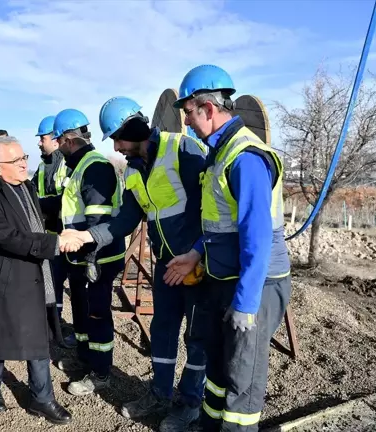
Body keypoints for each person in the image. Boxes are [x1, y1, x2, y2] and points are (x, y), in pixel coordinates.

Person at [62, 96, 209, 432]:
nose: (117, 146)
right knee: (163, 329)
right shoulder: (132, 169)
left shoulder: (182, 150)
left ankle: (189, 404)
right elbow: (124, 220)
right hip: (167, 265)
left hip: (198, 265)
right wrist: (84, 237)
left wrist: (197, 254)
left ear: (135, 128)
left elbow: (211, 210)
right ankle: (159, 393)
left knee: (198, 337)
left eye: (118, 137)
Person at [165, 64, 292, 432]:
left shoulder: (245, 157)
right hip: (225, 277)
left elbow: (256, 237)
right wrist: (195, 253)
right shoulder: (219, 153)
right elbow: (221, 225)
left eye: (187, 112)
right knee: (218, 371)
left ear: (207, 108)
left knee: (242, 382)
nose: (186, 122)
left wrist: (246, 304)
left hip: (255, 284)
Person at [0, 135, 78, 424]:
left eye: (24, 157)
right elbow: (5, 236)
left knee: (37, 337)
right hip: (0, 278)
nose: (23, 164)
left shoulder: (25, 185)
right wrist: (52, 244)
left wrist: (70, 199)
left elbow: (35, 213)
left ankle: (42, 399)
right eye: (15, 161)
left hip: (30, 275)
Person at [52, 108, 126, 396]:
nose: (58, 148)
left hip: (99, 256)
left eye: (59, 142)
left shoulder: (94, 167)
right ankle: (85, 358)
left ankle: (101, 372)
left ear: (68, 140)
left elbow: (98, 221)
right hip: (83, 255)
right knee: (82, 311)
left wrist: (91, 257)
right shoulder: (81, 165)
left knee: (97, 315)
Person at [31, 115, 74, 346]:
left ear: (56, 140)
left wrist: (37, 205)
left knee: (73, 287)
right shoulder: (40, 166)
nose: (39, 143)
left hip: (68, 237)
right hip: (48, 236)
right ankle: (52, 325)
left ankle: (70, 331)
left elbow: (64, 201)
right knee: (51, 284)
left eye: (43, 138)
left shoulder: (68, 165)